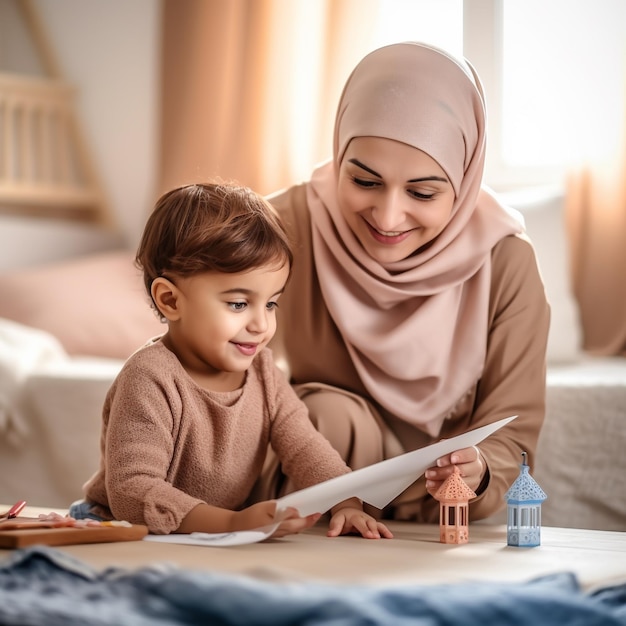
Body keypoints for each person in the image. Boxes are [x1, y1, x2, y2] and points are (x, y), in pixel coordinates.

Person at [257, 42, 550, 523]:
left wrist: (477, 469)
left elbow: (512, 438)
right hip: (299, 498)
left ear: (463, 179)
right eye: (365, 182)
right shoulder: (283, 225)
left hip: (434, 512)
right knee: (329, 416)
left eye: (423, 191)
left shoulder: (506, 263)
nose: (388, 216)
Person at [70, 182, 393, 539]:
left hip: (204, 535)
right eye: (238, 304)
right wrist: (231, 523)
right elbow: (133, 491)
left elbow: (305, 447)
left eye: (271, 303)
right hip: (121, 526)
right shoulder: (149, 377)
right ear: (171, 301)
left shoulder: (264, 371)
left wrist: (345, 502)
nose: (261, 324)